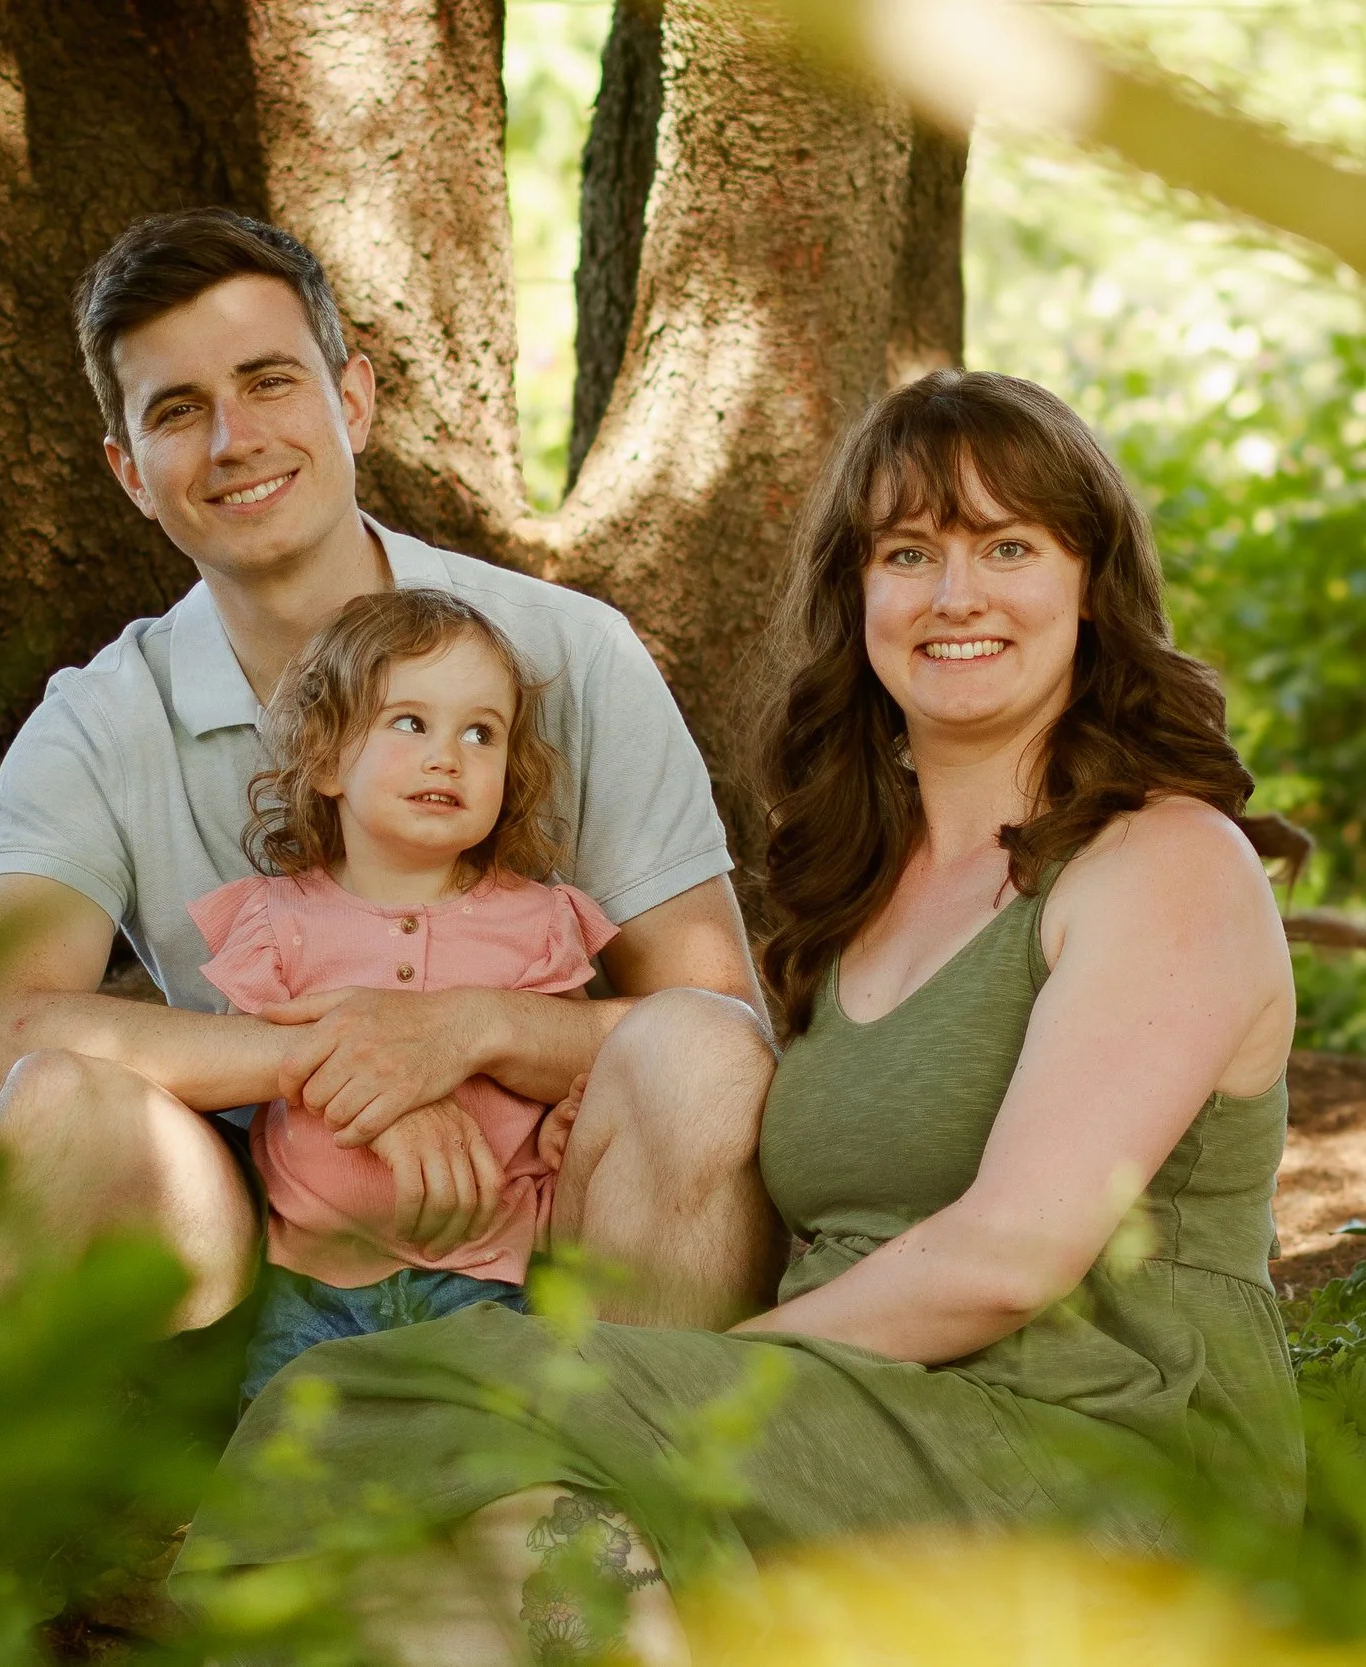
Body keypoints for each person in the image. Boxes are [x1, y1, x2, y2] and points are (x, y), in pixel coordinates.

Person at [174, 369, 1308, 1665]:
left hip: (1084, 1447)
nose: (955, 593)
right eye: (908, 552)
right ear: (858, 595)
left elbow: (1011, 1253)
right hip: (837, 1421)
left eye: (1009, 545)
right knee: (378, 1483)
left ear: (1090, 585)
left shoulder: (1163, 861)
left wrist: (651, 1400)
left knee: (467, 1485)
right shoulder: (859, 897)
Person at [0, 206, 778, 1339]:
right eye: (177, 411)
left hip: (551, 1224)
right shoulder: (98, 719)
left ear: (352, 400)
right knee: (58, 1091)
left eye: (269, 381)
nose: (233, 440)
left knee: (701, 1057)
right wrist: (330, 1064)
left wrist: (469, 1030)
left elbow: (715, 1016)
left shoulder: (568, 651)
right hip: (259, 1224)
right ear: (128, 470)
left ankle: (623, 1473)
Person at [194, 587, 618, 1402]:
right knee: (289, 1493)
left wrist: (572, 1119)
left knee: (487, 1473)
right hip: (314, 1293)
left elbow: (560, 1059)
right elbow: (237, 1071)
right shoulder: (278, 921)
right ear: (324, 761)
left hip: (490, 1286)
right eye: (410, 722)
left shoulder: (535, 921)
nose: (447, 756)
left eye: (480, 733)